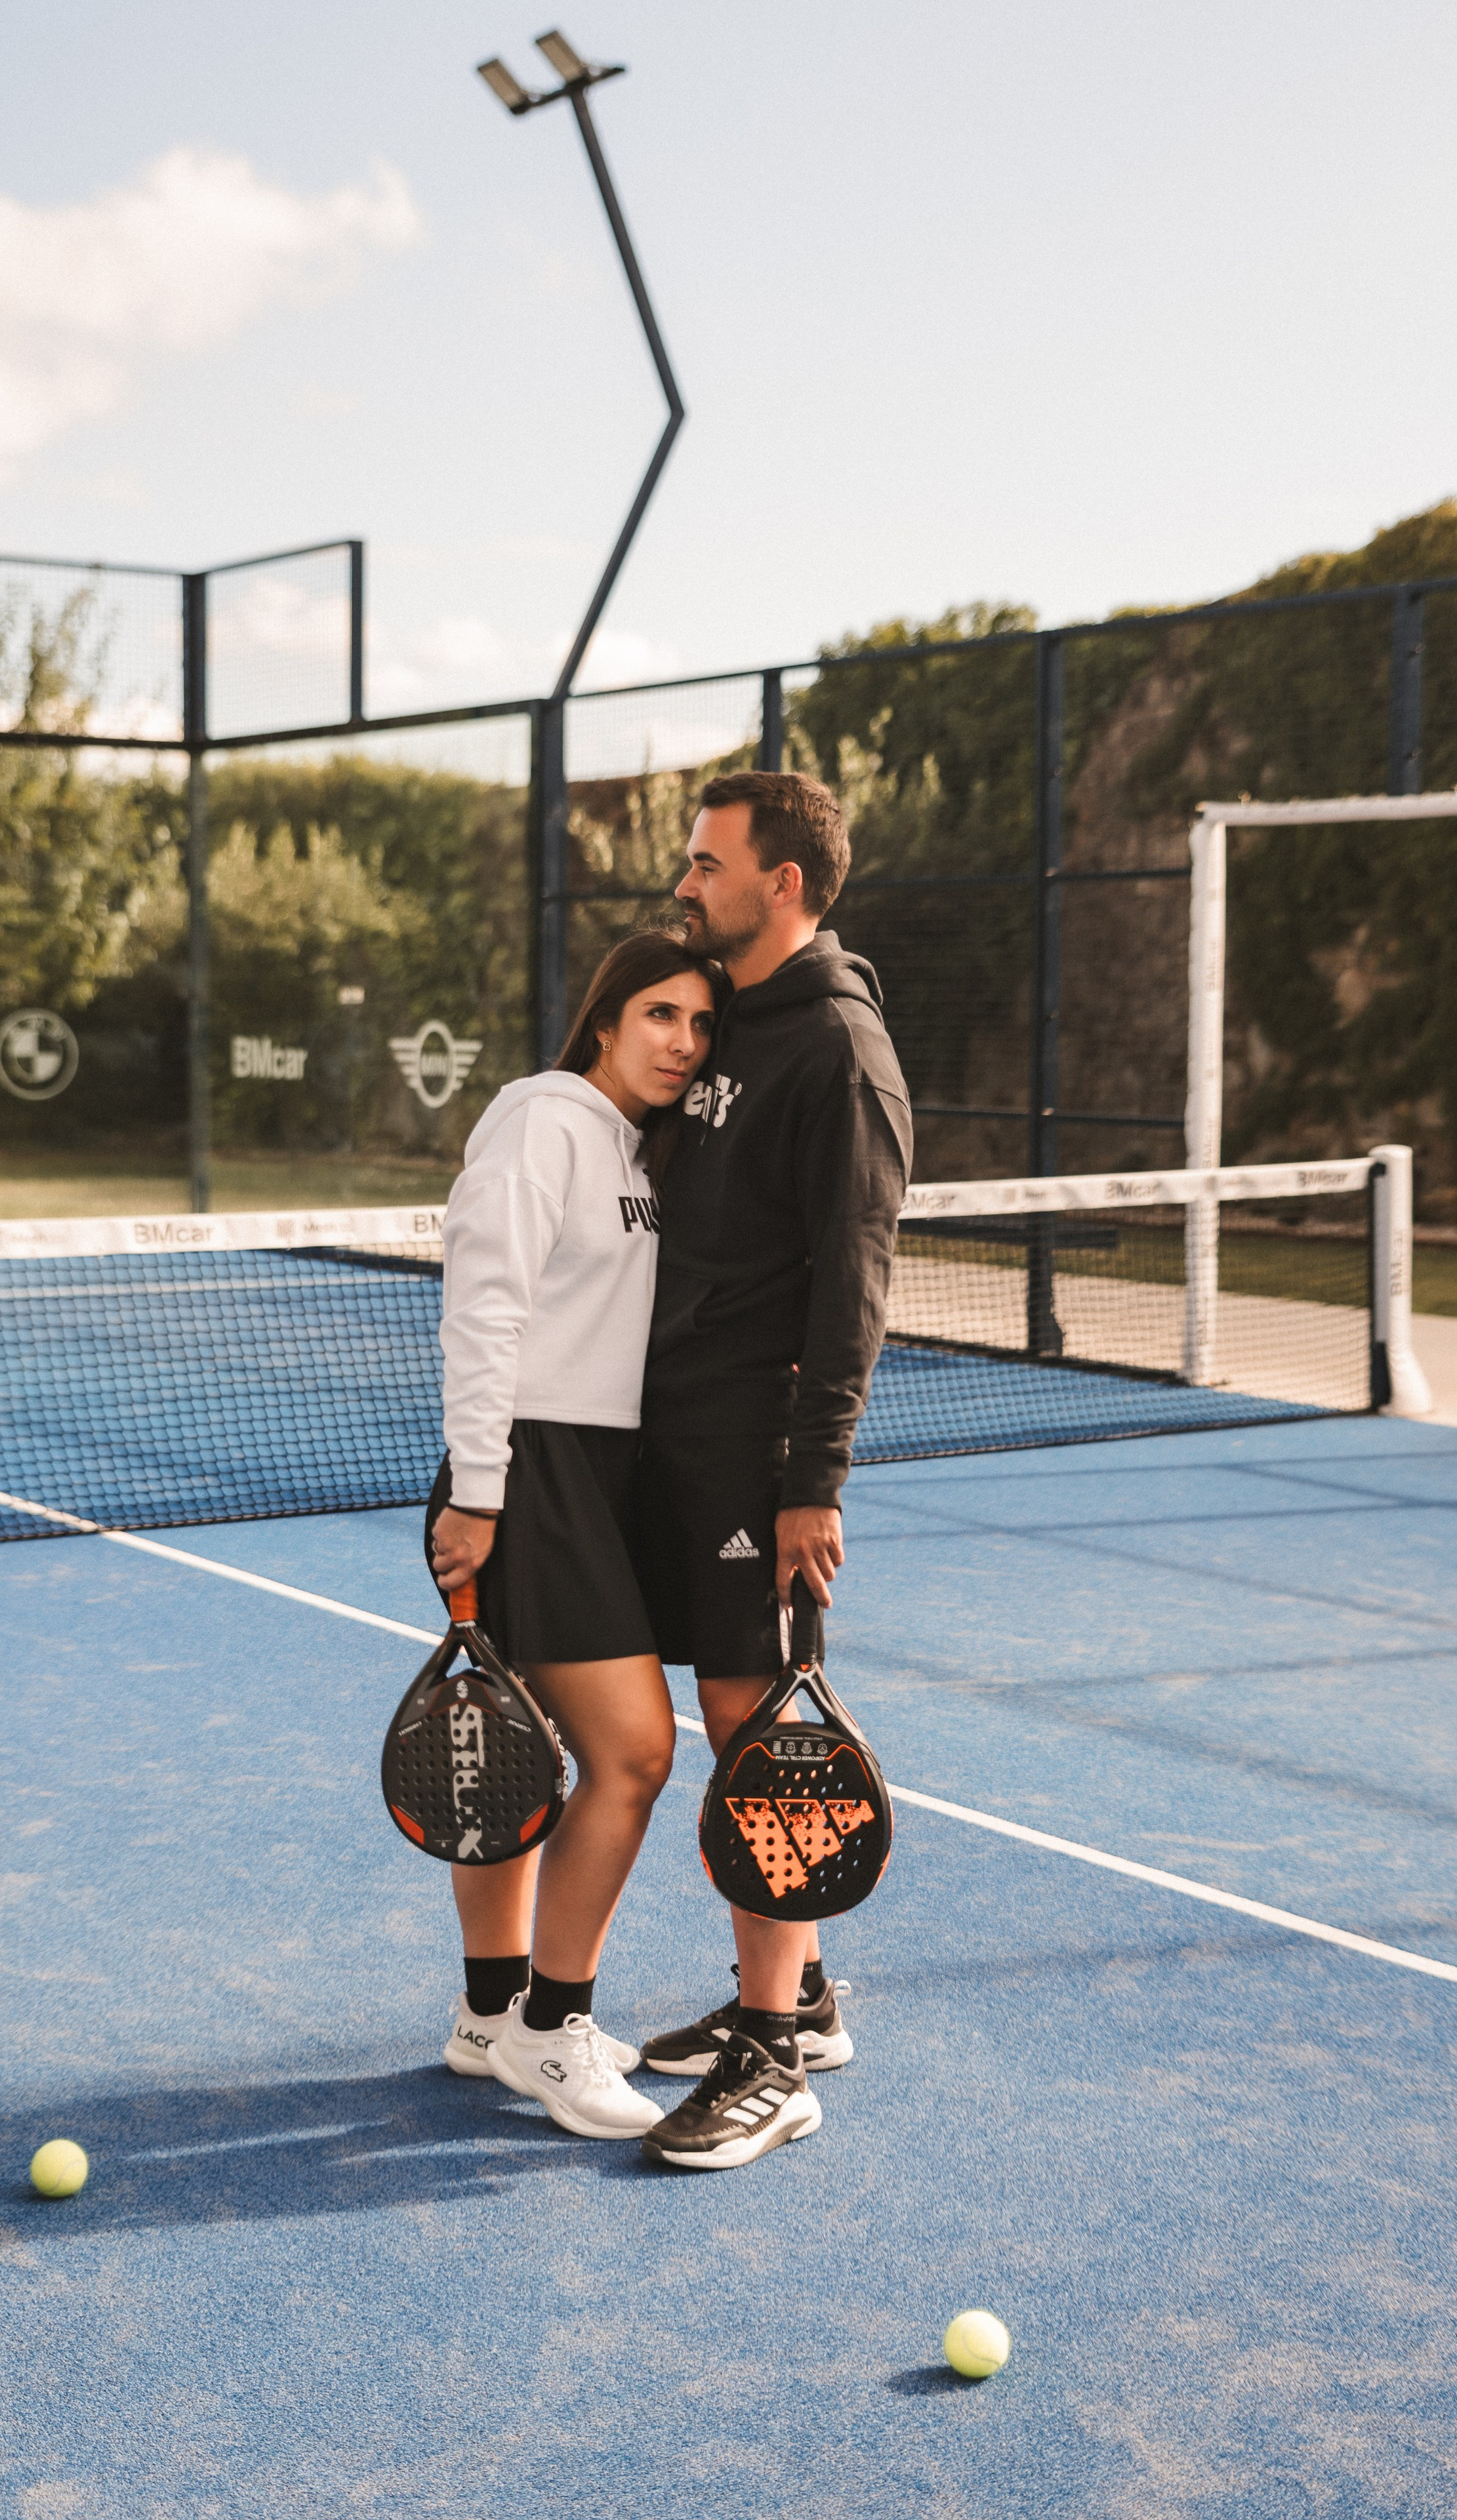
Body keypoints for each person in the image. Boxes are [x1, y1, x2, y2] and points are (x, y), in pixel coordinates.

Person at [633, 770, 912, 2171]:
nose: (686, 884)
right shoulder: (732, 1014)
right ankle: (792, 1988)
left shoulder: (841, 1057)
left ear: (781, 883)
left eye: (706, 864)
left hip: (761, 1449)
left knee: (760, 1731)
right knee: (726, 1709)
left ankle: (775, 2055)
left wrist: (814, 1480)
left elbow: (852, 1285)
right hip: (684, 1428)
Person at [426, 928, 719, 2140]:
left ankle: (492, 2015)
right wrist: (481, 1492)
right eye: (660, 1014)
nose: (682, 1042)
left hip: (599, 1472)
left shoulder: (640, 1150)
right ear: (605, 1017)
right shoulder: (542, 1117)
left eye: (701, 1026)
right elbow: (484, 1304)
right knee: (635, 1752)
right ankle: (554, 2026)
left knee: (518, 1756)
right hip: (530, 1470)